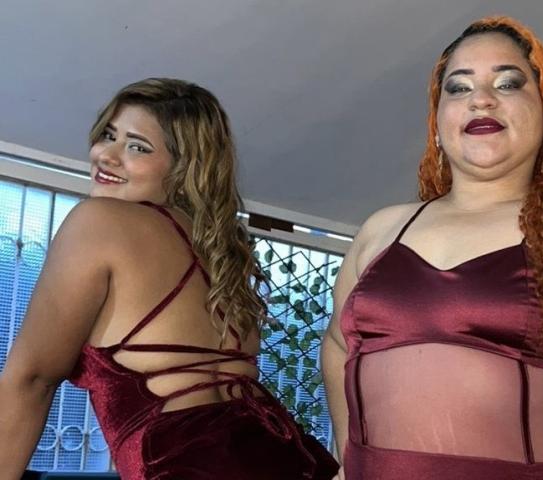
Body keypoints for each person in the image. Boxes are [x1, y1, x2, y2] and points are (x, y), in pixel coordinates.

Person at [322, 15, 543, 480]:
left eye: (508, 83)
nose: (481, 99)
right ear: (437, 125)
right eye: (459, 88)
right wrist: (349, 460)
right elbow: (337, 345)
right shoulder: (381, 230)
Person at [0, 78, 338, 480]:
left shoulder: (100, 222)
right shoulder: (224, 251)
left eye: (137, 147)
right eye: (108, 135)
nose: (107, 155)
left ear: (183, 166)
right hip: (294, 460)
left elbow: (33, 379)